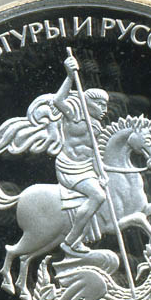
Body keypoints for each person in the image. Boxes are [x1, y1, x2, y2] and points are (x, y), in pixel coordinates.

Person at [53, 55, 109, 255]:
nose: (104, 110)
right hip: (69, 166)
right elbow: (57, 100)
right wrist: (69, 76)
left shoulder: (97, 126)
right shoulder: (73, 114)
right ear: (88, 102)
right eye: (100, 105)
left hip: (87, 168)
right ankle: (70, 240)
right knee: (98, 196)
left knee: (99, 195)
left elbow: (95, 153)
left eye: (106, 106)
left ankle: (78, 239)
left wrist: (101, 173)